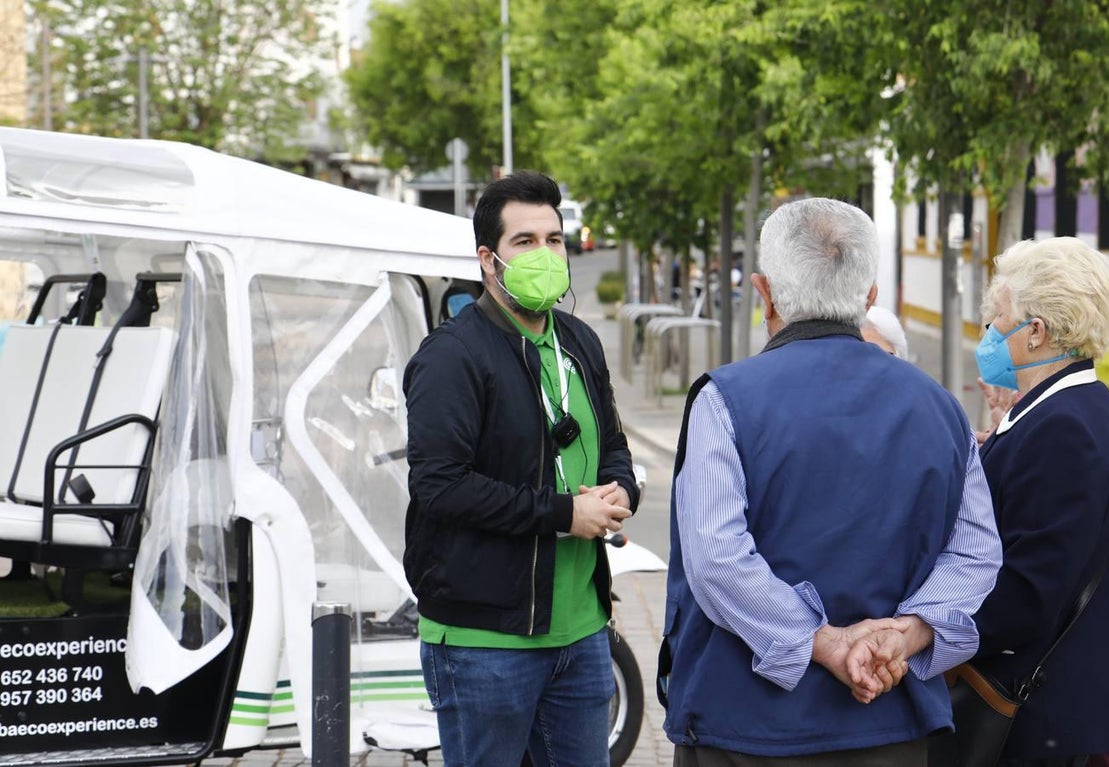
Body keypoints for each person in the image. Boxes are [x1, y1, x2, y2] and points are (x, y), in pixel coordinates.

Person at [660, 197, 1002, 765]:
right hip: (889, 724)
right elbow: (975, 555)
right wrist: (904, 635)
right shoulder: (941, 408)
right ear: (869, 298)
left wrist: (827, 644)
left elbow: (718, 558)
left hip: (745, 724)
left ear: (764, 292)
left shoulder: (726, 400)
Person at [402, 170, 639, 766]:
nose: (545, 253)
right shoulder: (452, 356)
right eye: (525, 242)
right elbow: (440, 486)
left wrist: (619, 493)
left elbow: (611, 440)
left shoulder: (580, 341)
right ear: (489, 259)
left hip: (583, 632)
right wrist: (565, 514)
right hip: (486, 641)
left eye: (554, 239)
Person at [970, 237, 1109, 765]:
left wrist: (923, 633)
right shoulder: (1083, 410)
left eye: (998, 317)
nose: (989, 332)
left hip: (1045, 711)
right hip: (1063, 704)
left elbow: (1029, 591)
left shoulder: (1063, 427)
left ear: (1036, 333)